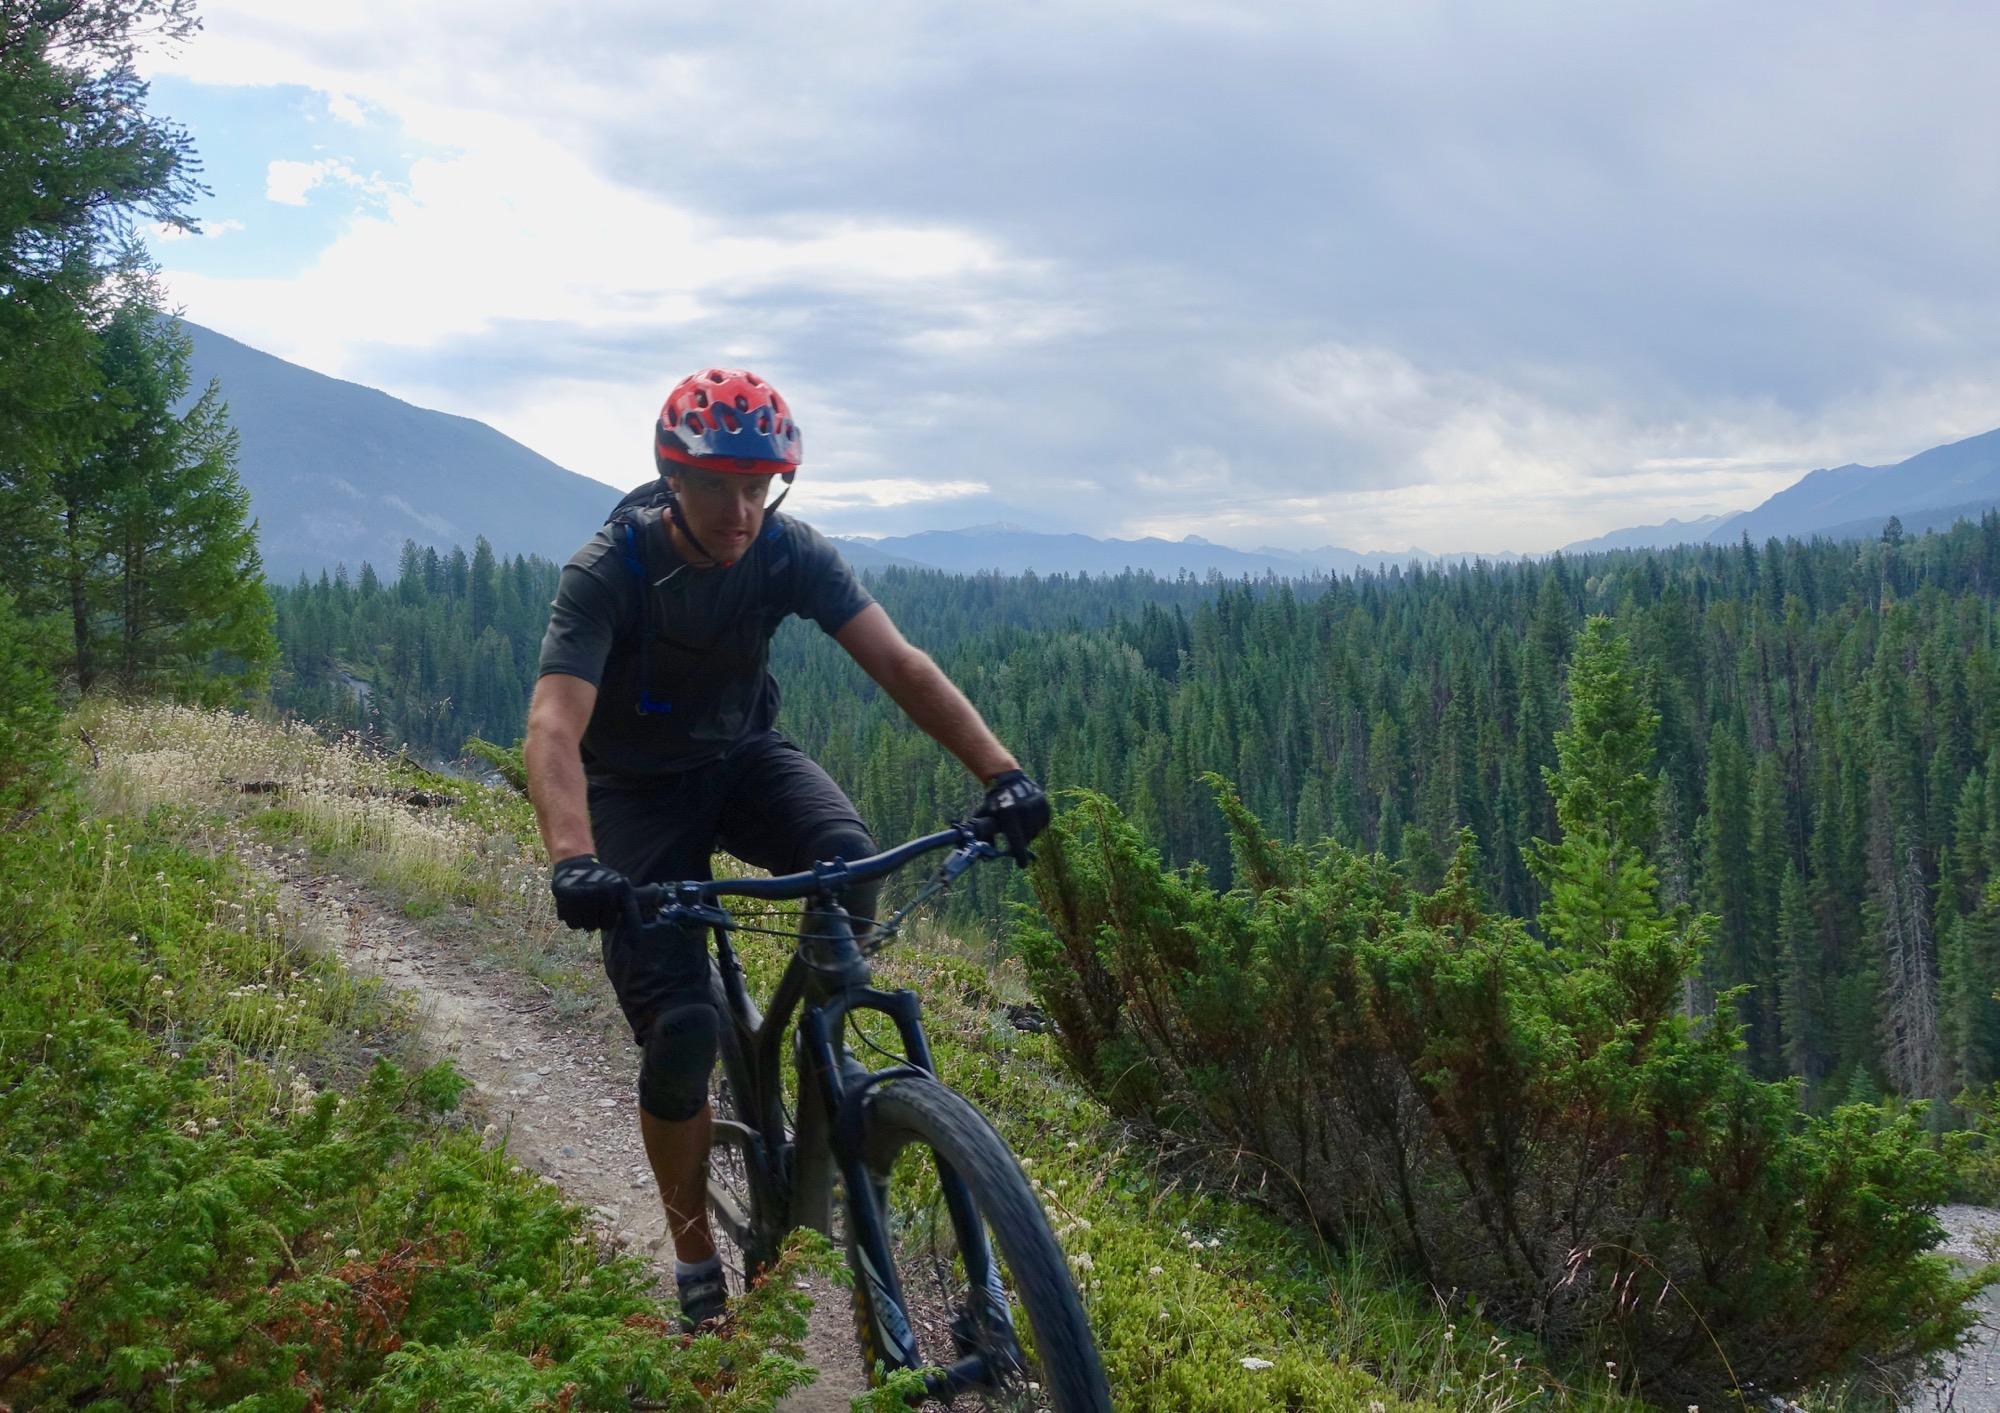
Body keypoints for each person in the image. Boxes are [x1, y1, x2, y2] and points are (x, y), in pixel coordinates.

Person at [524, 367, 1049, 1330]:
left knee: (848, 858)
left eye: (761, 486)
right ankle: (693, 1256)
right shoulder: (612, 569)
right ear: (671, 479)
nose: (741, 509)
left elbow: (899, 661)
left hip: (743, 756)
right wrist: (573, 857)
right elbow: (555, 725)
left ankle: (822, 1081)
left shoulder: (785, 550)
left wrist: (1000, 773)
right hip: (636, 791)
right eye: (718, 485)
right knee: (680, 1031)